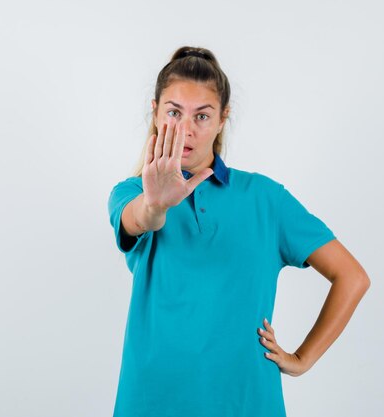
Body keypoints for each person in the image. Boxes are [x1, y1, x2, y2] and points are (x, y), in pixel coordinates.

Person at [107, 46, 370, 417]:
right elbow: (140, 219)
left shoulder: (266, 199)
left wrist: (302, 359)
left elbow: (352, 277)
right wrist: (156, 204)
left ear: (222, 119)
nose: (185, 130)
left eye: (202, 115)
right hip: (153, 401)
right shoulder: (132, 193)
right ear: (155, 113)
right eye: (173, 112)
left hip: (247, 403)